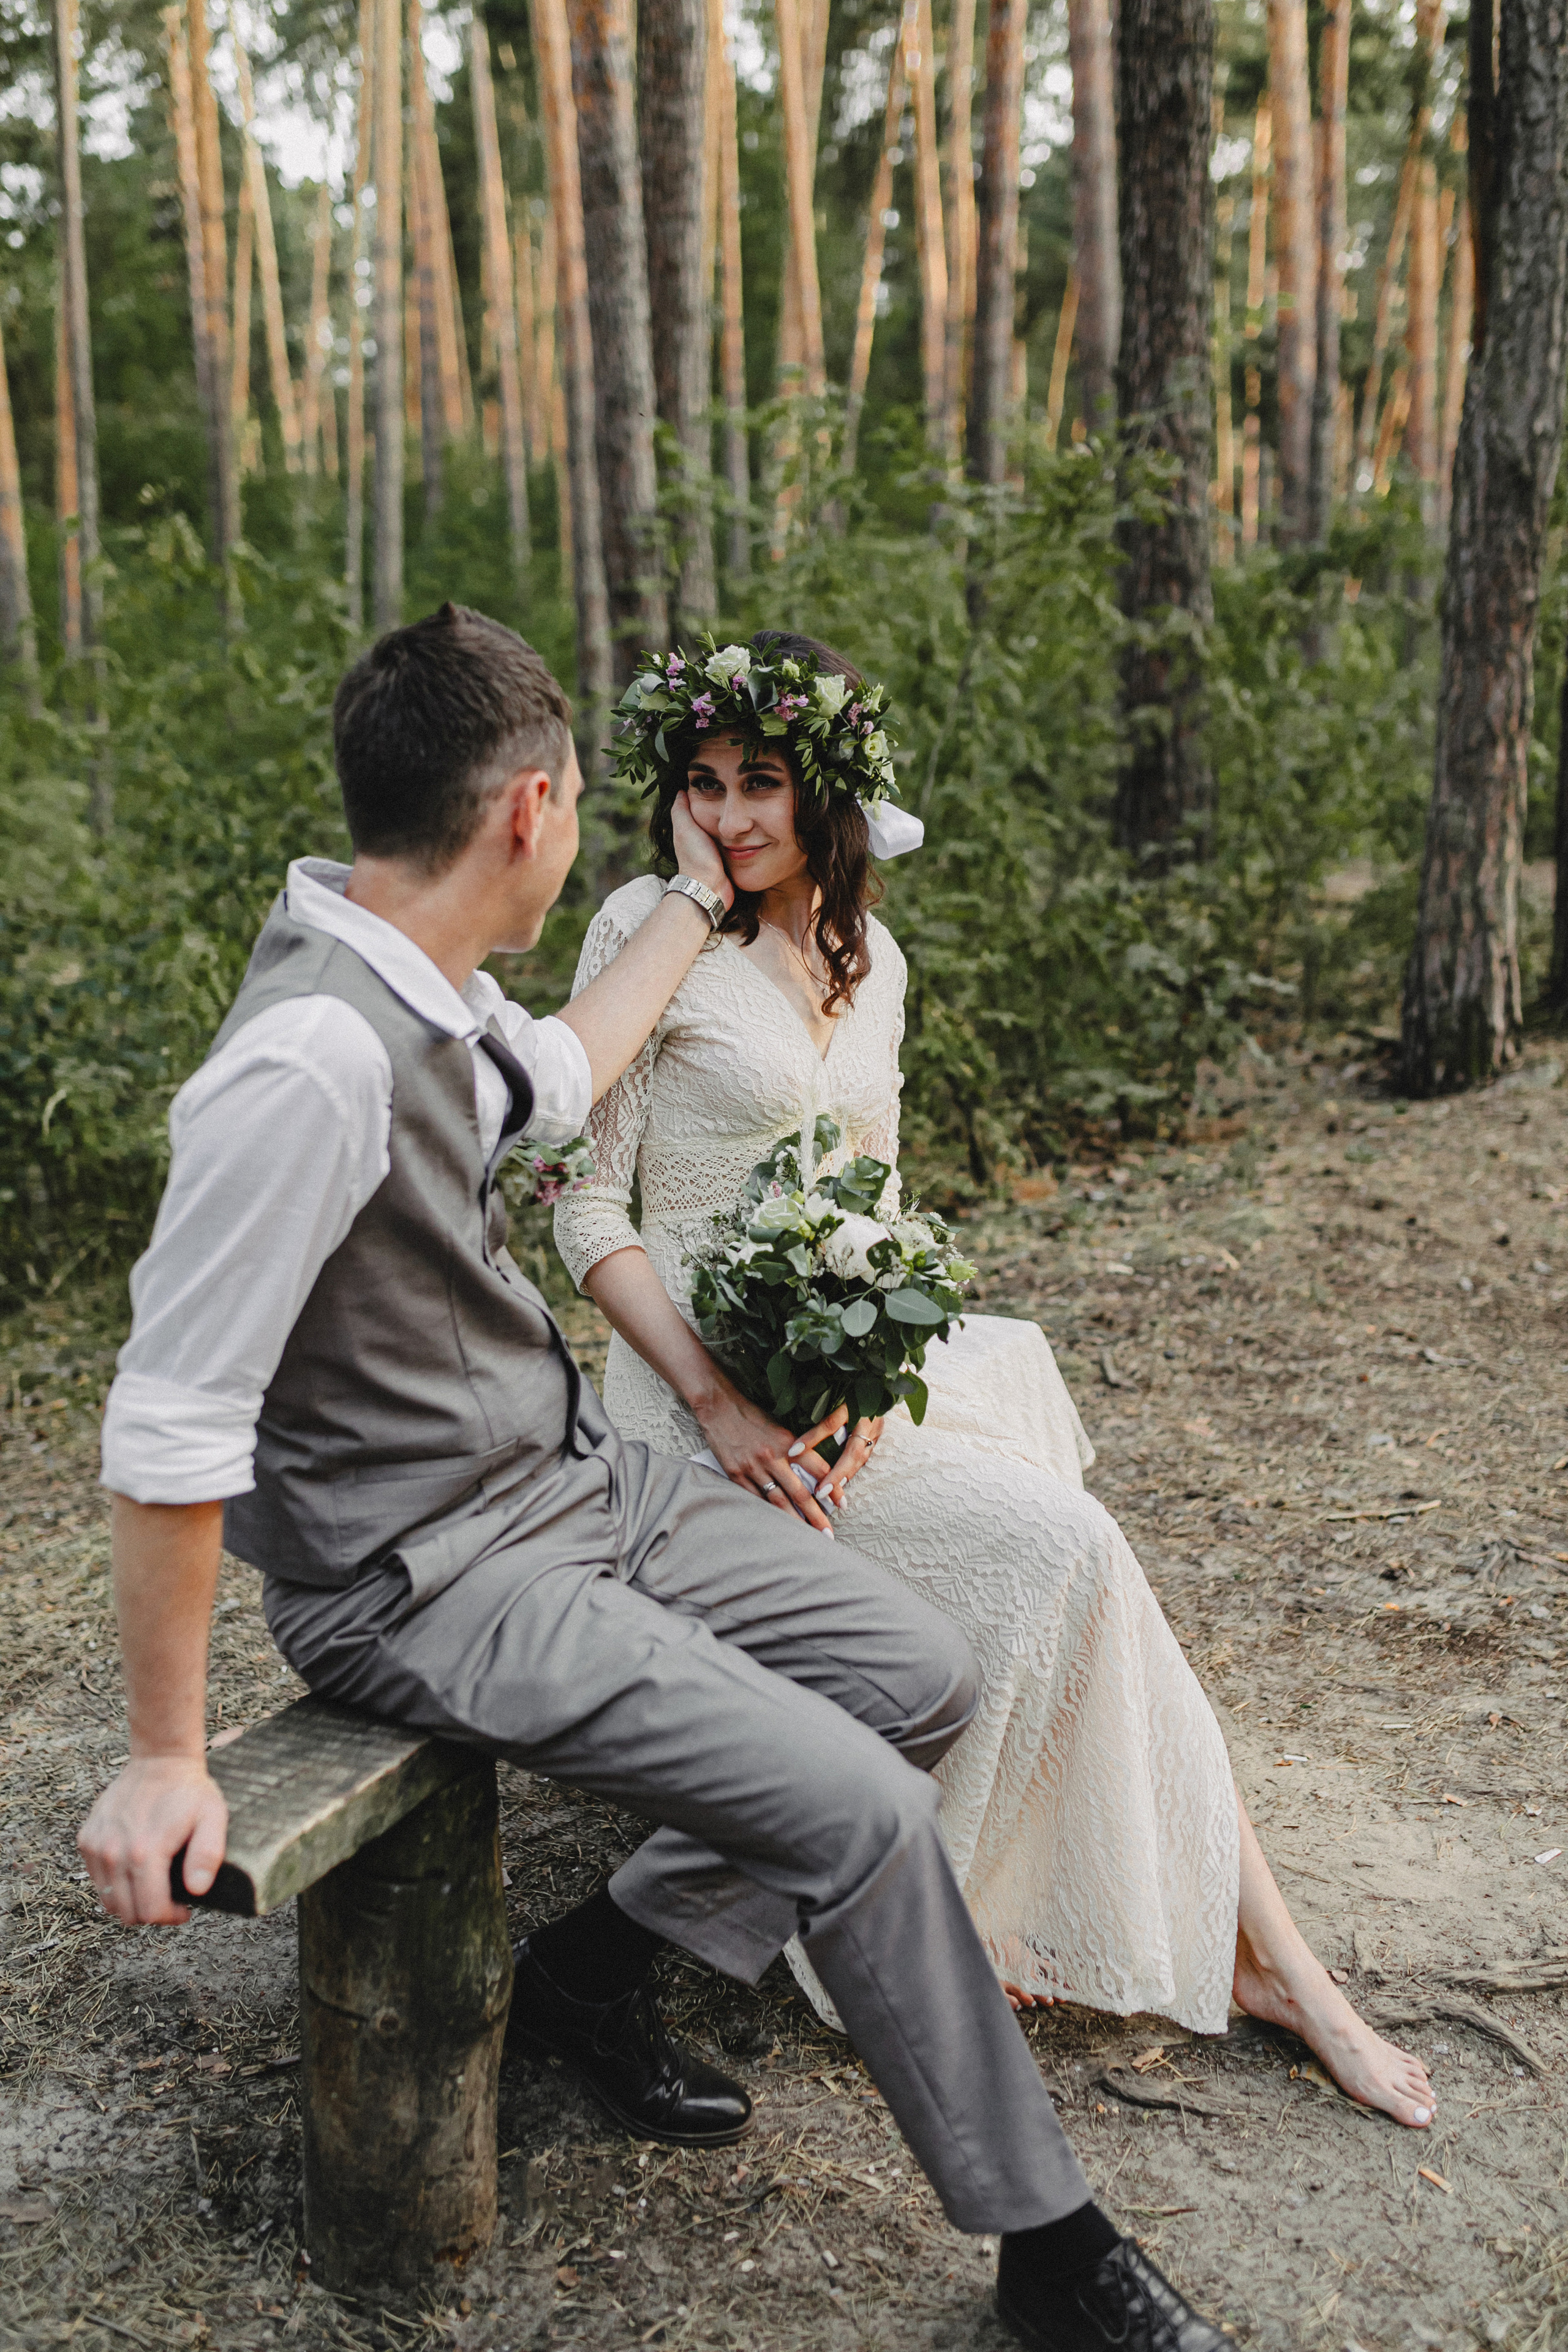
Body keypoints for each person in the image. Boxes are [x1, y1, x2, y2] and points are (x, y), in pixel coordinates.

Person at [79, 605, 1237, 2352]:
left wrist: (699, 901)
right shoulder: (304, 1059)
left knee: (915, 1672)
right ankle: (1050, 2251)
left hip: (556, 1488)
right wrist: (167, 1759)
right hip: (425, 1577)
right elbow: (166, 1423)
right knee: (851, 1808)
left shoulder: (415, 978)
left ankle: (598, 1969)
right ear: (538, 810)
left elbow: (561, 1077)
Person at [552, 626, 1437, 2133]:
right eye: (700, 783)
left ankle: (1265, 1957)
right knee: (1072, 1546)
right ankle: (1266, 1964)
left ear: (827, 786)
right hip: (687, 1409)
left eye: (761, 781)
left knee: (1074, 1560)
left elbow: (872, 1206)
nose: (727, 816)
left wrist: (850, 1372)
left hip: (831, 1393)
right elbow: (582, 1203)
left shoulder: (872, 957)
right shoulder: (651, 924)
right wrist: (721, 1401)